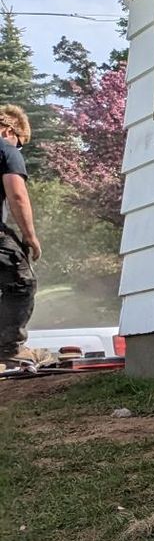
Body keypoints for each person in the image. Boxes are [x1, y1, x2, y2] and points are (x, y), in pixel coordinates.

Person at [0, 105, 40, 366]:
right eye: (20, 143)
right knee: (21, 281)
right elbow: (17, 195)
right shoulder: (6, 149)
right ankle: (9, 348)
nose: (19, 148)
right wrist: (30, 235)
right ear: (9, 130)